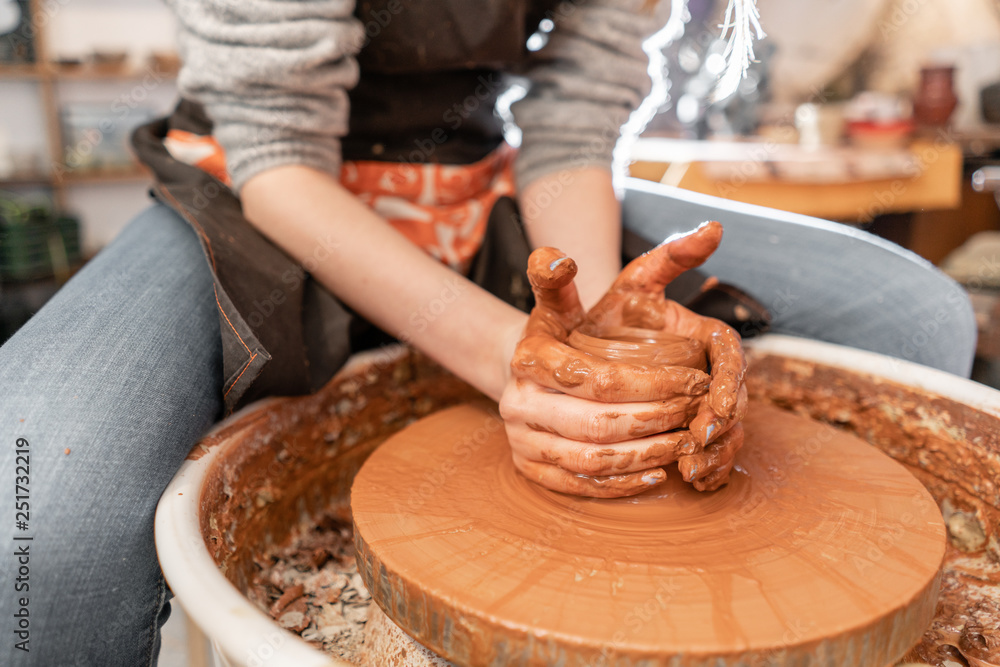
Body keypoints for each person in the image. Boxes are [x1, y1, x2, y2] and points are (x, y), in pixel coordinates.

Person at [0, 1, 974, 665]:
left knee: (911, 319)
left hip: (482, 186)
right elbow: (275, 147)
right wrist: (514, 363)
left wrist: (592, 342)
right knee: (37, 491)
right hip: (269, 189)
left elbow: (572, 125)